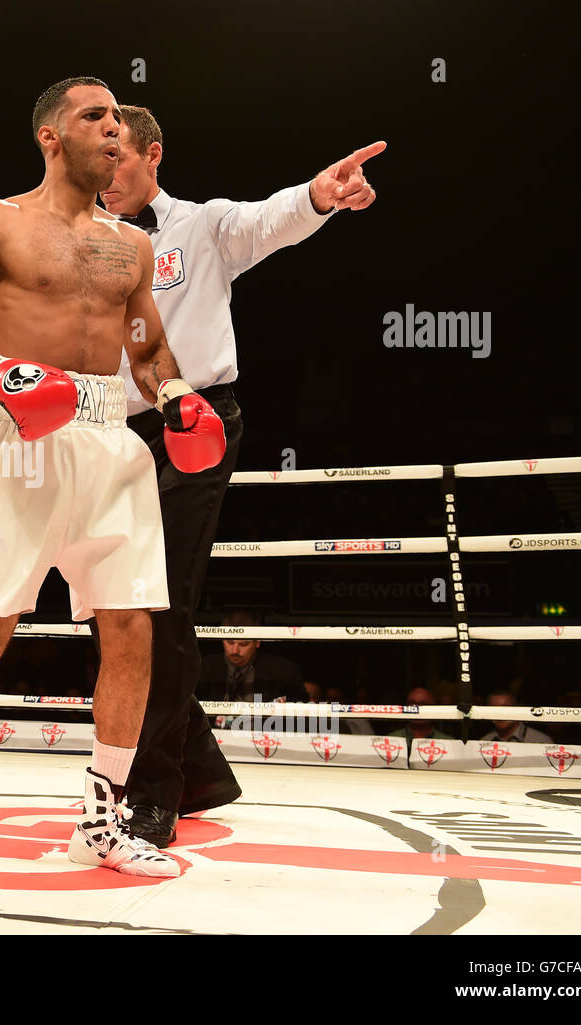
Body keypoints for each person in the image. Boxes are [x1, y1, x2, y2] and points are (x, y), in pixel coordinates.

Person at [0, 77, 227, 878]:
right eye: (97, 117)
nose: (116, 132)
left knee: (133, 630)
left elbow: (149, 352)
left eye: (122, 121)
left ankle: (101, 819)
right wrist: (0, 375)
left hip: (110, 437)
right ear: (50, 136)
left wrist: (177, 399)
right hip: (20, 432)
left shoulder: (132, 246)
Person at [96, 104, 384, 846]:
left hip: (195, 421)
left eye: (117, 154)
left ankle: (154, 787)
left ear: (152, 153)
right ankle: (199, 769)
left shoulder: (201, 224)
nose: (105, 170)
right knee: (127, 608)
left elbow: (268, 220)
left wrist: (320, 193)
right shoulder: (88, 244)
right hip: (113, 433)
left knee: (160, 601)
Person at [198, 608, 306, 704]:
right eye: (230, 642)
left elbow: (301, 718)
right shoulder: (203, 668)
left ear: (257, 642)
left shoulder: (284, 671)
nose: (235, 650)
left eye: (243, 644)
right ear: (222, 639)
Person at [387, 685, 453, 749]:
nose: (416, 709)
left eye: (423, 704)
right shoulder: (391, 740)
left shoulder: (448, 742)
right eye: (412, 704)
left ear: (433, 707)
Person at [476, 690, 553, 743]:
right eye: (494, 709)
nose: (500, 714)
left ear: (517, 708)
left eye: (505, 708)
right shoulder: (484, 742)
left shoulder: (539, 741)